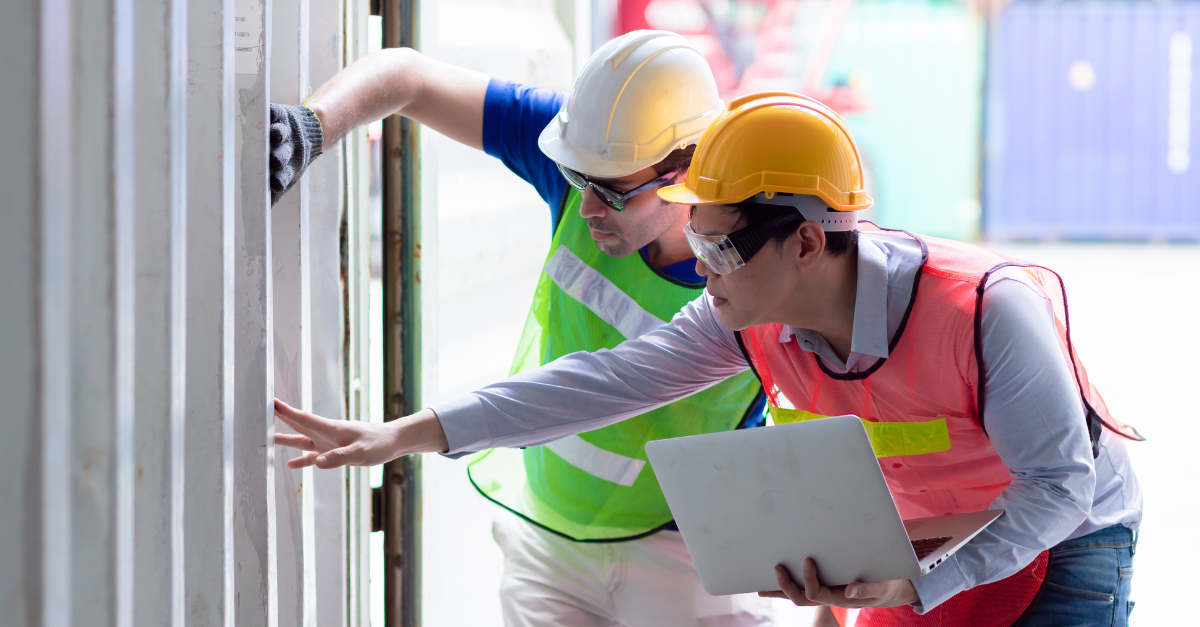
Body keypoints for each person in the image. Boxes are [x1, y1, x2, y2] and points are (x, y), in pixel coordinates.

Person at [275, 91, 1146, 627]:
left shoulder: (989, 309)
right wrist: (411, 432)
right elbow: (603, 382)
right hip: (926, 534)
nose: (703, 266)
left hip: (1065, 536)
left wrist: (921, 587)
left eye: (721, 247)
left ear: (806, 241)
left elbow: (1060, 489)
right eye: (699, 237)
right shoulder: (745, 314)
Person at [269, 31, 777, 627]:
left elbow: (607, 384)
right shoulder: (592, 153)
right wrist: (312, 128)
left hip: (686, 548)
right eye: (577, 180)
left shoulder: (757, 277)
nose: (585, 207)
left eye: (611, 193)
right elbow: (408, 77)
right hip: (547, 534)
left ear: (685, 171)